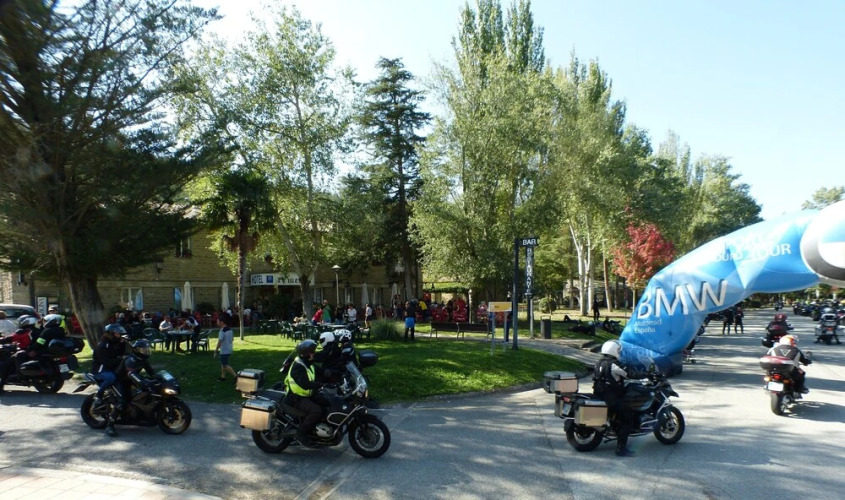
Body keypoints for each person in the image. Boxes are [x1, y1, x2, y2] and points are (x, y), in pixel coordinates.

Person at [592, 340, 649, 457]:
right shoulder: (614, 364)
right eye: (618, 350)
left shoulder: (599, 363)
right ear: (614, 350)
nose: (619, 352)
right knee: (628, 417)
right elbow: (629, 374)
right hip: (611, 398)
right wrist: (646, 374)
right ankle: (621, 449)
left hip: (599, 395)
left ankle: (615, 428)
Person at [107, 339, 157, 437]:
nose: (146, 352)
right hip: (120, 381)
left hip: (130, 381)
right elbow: (131, 373)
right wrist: (142, 382)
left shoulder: (143, 360)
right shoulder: (131, 360)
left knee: (142, 395)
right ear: (136, 350)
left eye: (147, 350)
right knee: (122, 402)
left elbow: (152, 372)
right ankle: (110, 425)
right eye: (144, 350)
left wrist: (160, 377)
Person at [284, 339, 325, 447]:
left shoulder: (308, 363)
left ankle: (317, 432)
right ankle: (300, 434)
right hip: (296, 398)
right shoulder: (298, 366)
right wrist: (320, 385)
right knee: (316, 411)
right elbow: (305, 384)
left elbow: (322, 372)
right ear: (306, 353)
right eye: (312, 351)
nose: (314, 353)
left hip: (306, 395)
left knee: (326, 402)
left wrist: (337, 374)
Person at [91, 323, 127, 405]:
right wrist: (121, 359)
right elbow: (107, 362)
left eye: (119, 334)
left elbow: (120, 354)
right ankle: (99, 394)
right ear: (111, 334)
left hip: (110, 368)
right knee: (111, 377)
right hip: (100, 370)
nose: (119, 335)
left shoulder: (114, 343)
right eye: (117, 334)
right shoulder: (103, 346)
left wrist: (122, 344)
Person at [214, 314, 237, 382]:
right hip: (229, 349)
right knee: (223, 363)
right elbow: (232, 339)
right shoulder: (230, 330)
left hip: (224, 350)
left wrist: (215, 351)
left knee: (225, 364)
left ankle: (236, 376)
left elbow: (219, 342)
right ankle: (223, 377)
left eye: (218, 321)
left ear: (222, 322)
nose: (217, 322)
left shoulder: (222, 331)